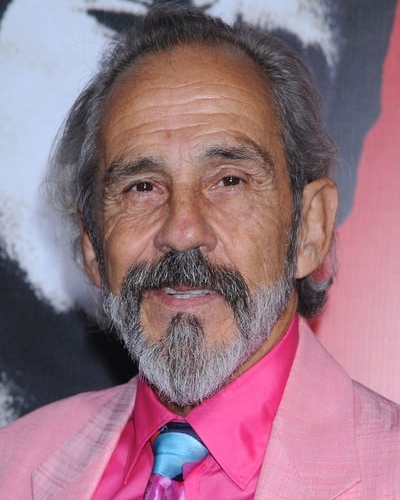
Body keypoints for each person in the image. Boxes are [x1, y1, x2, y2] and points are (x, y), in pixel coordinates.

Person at [0, 5, 399, 499]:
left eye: (229, 181)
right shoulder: (12, 467)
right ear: (92, 245)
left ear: (309, 228)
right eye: (142, 187)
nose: (182, 230)